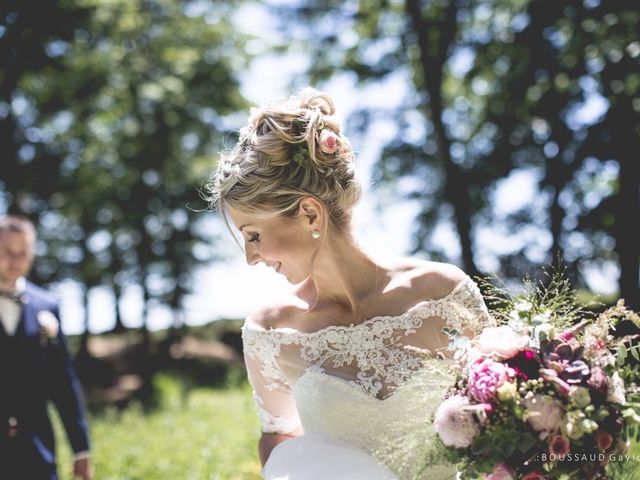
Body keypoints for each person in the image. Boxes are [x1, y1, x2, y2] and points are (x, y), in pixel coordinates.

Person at [206, 88, 494, 479]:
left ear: (310, 213)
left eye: (253, 235)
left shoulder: (441, 293)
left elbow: (502, 411)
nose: (250, 257)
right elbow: (279, 445)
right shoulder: (270, 333)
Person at [0, 215, 93, 480]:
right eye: (7, 251)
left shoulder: (48, 306)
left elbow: (63, 382)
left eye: (24, 253)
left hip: (37, 450)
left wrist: (81, 449)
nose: (16, 260)